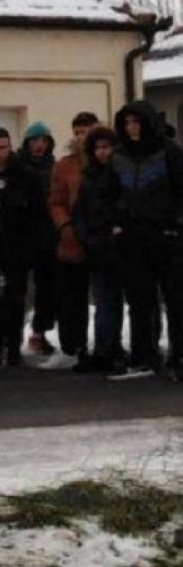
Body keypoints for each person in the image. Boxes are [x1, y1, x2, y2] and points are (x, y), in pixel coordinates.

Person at [109, 100, 183, 380]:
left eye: (136, 122)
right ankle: (144, 354)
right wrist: (117, 222)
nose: (131, 128)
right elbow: (110, 193)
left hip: (167, 236)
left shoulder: (170, 152)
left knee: (176, 300)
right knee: (140, 301)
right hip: (132, 238)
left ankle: (179, 355)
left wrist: (175, 225)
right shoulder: (119, 156)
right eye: (127, 123)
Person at [0, 127, 49, 369]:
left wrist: (32, 244)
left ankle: (13, 347)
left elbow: (38, 212)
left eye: (2, 147)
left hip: (16, 245)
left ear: (10, 147)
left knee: (14, 298)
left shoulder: (24, 175)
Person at [39, 111, 99, 371]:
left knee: (108, 297)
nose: (80, 136)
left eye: (85, 130)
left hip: (101, 236)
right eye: (77, 131)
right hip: (72, 237)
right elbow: (55, 201)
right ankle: (71, 347)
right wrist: (64, 226)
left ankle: (109, 346)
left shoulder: (108, 160)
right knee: (71, 297)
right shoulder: (64, 165)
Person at [72, 126, 127, 373]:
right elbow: (79, 212)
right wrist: (87, 238)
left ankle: (116, 349)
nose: (103, 153)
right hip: (97, 247)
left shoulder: (123, 175)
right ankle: (105, 349)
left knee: (119, 302)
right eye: (98, 148)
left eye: (107, 147)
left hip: (122, 246)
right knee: (104, 301)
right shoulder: (89, 177)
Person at [19, 121, 59, 357]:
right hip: (21, 236)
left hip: (47, 236)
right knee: (16, 290)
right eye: (35, 140)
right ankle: (8, 339)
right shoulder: (18, 167)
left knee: (47, 289)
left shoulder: (54, 167)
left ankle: (39, 333)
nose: (39, 145)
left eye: (43, 140)